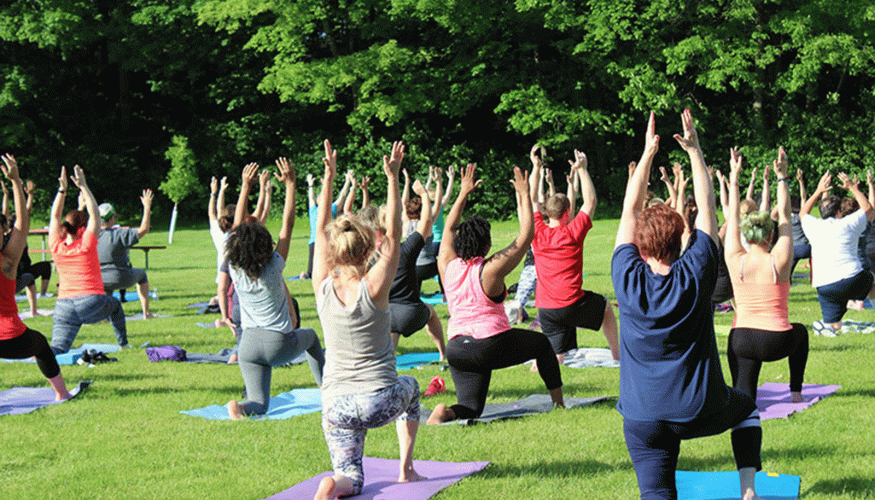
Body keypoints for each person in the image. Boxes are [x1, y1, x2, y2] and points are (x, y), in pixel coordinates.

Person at [612, 110, 762, 500]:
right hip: (700, 408)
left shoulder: (626, 275)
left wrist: (647, 154)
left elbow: (629, 211)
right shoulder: (696, 270)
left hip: (641, 415)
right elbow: (709, 209)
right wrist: (695, 151)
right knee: (746, 409)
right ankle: (748, 491)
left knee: (657, 494)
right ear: (682, 241)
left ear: (640, 246)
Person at [312, 140, 425, 500]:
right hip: (380, 399)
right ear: (367, 249)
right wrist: (392, 177)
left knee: (351, 477)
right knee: (412, 388)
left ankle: (335, 484)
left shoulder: (320, 286)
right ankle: (405, 468)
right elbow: (393, 235)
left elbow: (319, 232)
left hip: (335, 404)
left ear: (333, 250)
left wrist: (329, 176)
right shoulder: (374, 287)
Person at [427, 163, 565, 425]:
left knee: (471, 408)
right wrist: (525, 194)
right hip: (489, 344)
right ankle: (559, 404)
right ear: (487, 244)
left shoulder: (447, 265)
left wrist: (463, 193)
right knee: (542, 345)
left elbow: (448, 229)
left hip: (456, 348)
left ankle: (445, 413)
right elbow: (526, 237)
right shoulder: (489, 270)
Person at [225, 159, 325, 419]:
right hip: (277, 343)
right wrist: (291, 185)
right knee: (312, 337)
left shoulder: (234, 268)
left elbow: (237, 229)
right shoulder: (273, 267)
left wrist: (246, 187)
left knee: (260, 403)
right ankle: (326, 385)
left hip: (246, 345)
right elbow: (288, 225)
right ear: (264, 245)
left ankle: (241, 408)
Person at [724, 147, 809, 404]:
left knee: (737, 346)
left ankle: (742, 396)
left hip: (743, 340)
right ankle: (795, 391)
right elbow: (784, 215)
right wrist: (782, 177)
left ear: (746, 235)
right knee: (801, 332)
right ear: (770, 236)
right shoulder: (779, 261)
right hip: (777, 342)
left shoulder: (735, 259)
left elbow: (731, 215)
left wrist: (734, 178)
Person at [529, 145, 619, 366]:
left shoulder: (537, 231)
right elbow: (591, 202)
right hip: (571, 304)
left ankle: (539, 368)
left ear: (546, 212)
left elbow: (531, 200)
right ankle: (618, 355)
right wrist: (583, 169)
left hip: (546, 309)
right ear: (568, 212)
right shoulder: (572, 232)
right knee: (605, 307)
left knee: (558, 357)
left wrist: (535, 168)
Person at [0, 154, 73, 400]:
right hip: (8, 335)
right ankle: (62, 394)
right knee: (41, 344)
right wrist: (15, 181)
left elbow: (19, 223)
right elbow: (22, 223)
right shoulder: (7, 261)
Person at [49, 165, 127, 354]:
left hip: (63, 305)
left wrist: (62, 190)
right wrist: (83, 185)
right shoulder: (87, 244)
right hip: (91, 301)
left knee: (58, 348)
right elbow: (95, 215)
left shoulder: (56, 246)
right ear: (83, 229)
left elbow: (55, 215)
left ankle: (36, 356)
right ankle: (124, 344)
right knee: (116, 306)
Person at [800, 170, 875, 335]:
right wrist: (852, 188)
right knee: (873, 283)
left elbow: (803, 213)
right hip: (853, 278)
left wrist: (819, 191)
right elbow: (869, 209)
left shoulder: (813, 225)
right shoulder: (849, 223)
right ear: (839, 212)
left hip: (825, 286)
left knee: (834, 326)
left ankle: (830, 328)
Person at [390, 178, 446, 360]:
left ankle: (388, 359)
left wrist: (402, 181)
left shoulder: (405, 224)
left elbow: (400, 207)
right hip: (426, 267)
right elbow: (434, 211)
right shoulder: (419, 232)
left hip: (388, 308)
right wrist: (430, 189)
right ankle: (443, 353)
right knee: (430, 312)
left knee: (392, 325)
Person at [97, 189, 154, 319]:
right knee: (142, 275)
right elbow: (144, 229)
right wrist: (147, 206)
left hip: (99, 279)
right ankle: (146, 313)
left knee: (107, 290)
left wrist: (81, 206)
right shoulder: (120, 233)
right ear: (112, 218)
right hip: (121, 276)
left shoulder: (92, 236)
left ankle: (104, 317)